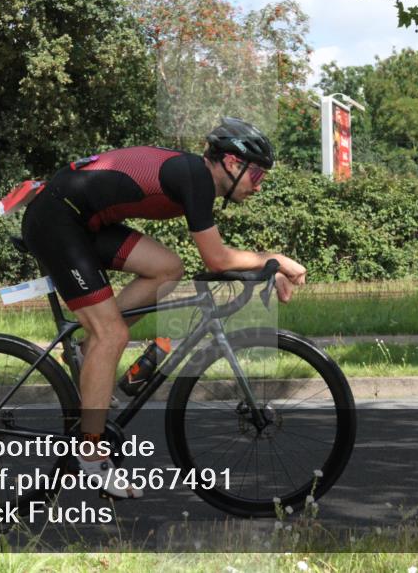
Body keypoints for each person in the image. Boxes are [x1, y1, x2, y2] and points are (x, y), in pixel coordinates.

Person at [20, 117, 307, 498]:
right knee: (113, 333)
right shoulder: (196, 177)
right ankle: (90, 456)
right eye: (257, 174)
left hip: (83, 220)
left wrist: (266, 266)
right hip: (57, 219)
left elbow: (215, 260)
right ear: (233, 164)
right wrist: (274, 259)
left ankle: (92, 347)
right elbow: (218, 259)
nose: (260, 184)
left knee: (168, 269)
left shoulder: (195, 176)